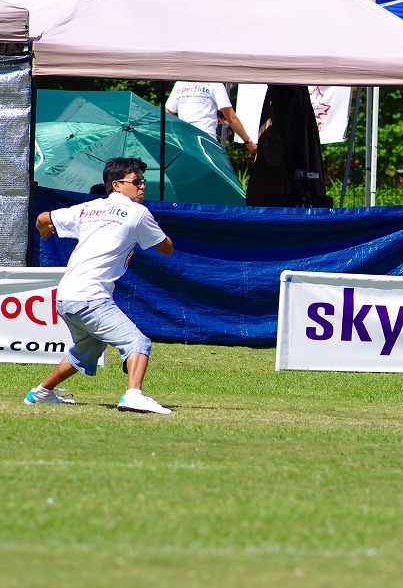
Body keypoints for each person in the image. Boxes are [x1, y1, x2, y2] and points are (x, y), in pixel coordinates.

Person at [25, 157, 175, 414]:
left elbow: (42, 218)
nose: (142, 186)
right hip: (91, 297)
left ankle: (40, 393)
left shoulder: (89, 208)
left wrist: (42, 232)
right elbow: (166, 248)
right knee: (137, 342)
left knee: (88, 349)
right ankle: (133, 395)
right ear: (117, 185)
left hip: (66, 297)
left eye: (143, 181)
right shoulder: (138, 213)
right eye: (136, 181)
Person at [165, 81, 257, 154]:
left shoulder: (180, 83)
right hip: (207, 143)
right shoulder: (214, 83)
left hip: (184, 142)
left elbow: (168, 113)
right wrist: (248, 141)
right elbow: (231, 119)